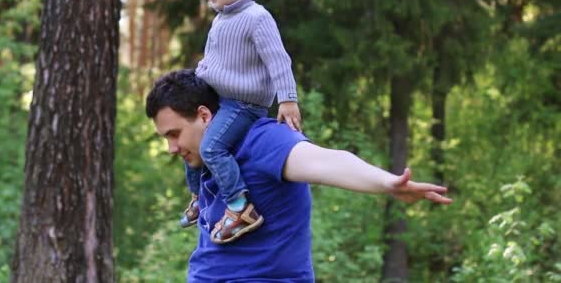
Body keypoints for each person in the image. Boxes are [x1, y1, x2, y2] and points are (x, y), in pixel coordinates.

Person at [145, 69, 453, 282]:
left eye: (174, 134)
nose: (172, 148)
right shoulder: (208, 162)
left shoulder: (261, 141)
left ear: (204, 116)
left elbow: (326, 161)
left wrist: (385, 183)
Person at [180, 0, 302, 244]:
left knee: (211, 148)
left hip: (243, 104)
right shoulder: (222, 17)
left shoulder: (257, 18)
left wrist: (287, 100)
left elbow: (278, 60)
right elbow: (215, 61)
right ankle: (200, 197)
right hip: (220, 98)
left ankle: (240, 207)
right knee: (190, 141)